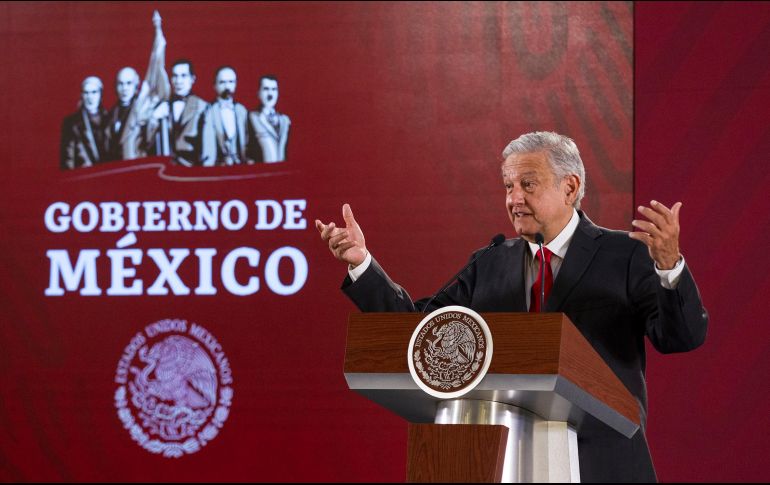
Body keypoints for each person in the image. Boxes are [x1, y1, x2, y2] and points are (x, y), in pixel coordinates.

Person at [315, 131, 708, 482]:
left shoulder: (625, 255)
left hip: (601, 465)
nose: (514, 198)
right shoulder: (490, 262)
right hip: (497, 463)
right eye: (508, 186)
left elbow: (680, 336)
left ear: (570, 187)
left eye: (527, 184)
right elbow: (420, 334)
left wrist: (670, 268)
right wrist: (363, 265)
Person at [146, 59, 211, 166]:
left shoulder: (203, 107)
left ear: (192, 79)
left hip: (192, 170)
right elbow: (147, 143)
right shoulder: (162, 106)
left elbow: (208, 151)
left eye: (183, 76)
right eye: (175, 76)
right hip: (165, 170)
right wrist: (153, 118)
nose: (178, 81)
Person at [202, 66, 252, 166]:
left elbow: (247, 140)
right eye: (222, 82)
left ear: (235, 84)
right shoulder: (209, 112)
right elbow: (207, 148)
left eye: (231, 82)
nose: (227, 86)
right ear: (214, 85)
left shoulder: (242, 111)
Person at [60, 76, 109, 170]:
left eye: (94, 92)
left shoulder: (110, 118)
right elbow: (68, 160)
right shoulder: (71, 123)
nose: (90, 97)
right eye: (86, 93)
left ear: (101, 95)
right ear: (82, 96)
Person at [248, 75, 291, 163]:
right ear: (258, 93)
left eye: (274, 89)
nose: (270, 94)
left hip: (283, 172)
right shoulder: (252, 117)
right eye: (266, 89)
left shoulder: (285, 120)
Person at [106, 67, 140, 161]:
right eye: (121, 84)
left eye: (129, 83)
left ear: (136, 86)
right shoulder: (111, 113)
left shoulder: (142, 111)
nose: (124, 88)